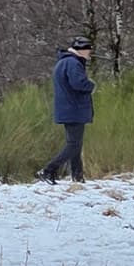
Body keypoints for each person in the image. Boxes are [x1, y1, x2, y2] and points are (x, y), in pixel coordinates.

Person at [39, 36, 95, 182]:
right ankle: (48, 170)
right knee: (74, 145)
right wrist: (91, 85)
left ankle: (78, 177)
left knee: (75, 144)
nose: (90, 52)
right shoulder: (73, 63)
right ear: (81, 50)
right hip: (74, 109)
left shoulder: (64, 61)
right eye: (88, 49)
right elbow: (78, 83)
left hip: (68, 109)